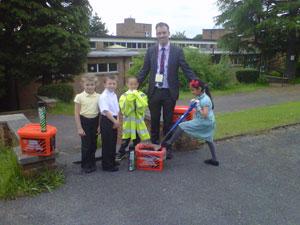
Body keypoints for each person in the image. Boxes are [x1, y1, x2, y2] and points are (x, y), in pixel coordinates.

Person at [137, 22, 197, 159]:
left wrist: (196, 82)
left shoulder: (177, 51)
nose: (161, 35)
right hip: (154, 91)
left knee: (168, 121)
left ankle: (167, 148)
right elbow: (144, 70)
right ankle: (154, 147)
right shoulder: (151, 50)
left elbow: (185, 68)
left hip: (169, 92)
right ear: (156, 35)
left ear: (169, 33)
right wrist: (134, 86)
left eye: (164, 32)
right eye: (159, 33)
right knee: (154, 121)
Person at [162, 79, 219, 166]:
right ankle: (215, 160)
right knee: (209, 140)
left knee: (182, 125)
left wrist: (197, 106)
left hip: (204, 122)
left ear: (199, 89)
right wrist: (194, 103)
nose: (192, 92)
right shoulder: (201, 97)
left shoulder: (205, 100)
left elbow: (204, 114)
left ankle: (169, 143)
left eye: (193, 90)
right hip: (208, 122)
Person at [116, 76, 150, 161]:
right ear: (127, 84)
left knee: (137, 139)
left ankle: (136, 152)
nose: (133, 86)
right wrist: (130, 100)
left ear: (138, 84)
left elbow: (143, 106)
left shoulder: (141, 95)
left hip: (138, 123)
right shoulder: (124, 96)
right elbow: (124, 109)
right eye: (131, 84)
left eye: (135, 84)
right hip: (128, 123)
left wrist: (136, 96)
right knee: (125, 139)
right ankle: (121, 153)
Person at [74, 74, 100, 173]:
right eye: (87, 85)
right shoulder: (79, 97)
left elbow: (101, 113)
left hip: (95, 121)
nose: (89, 87)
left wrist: (99, 126)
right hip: (84, 121)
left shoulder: (99, 97)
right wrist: (79, 128)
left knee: (93, 144)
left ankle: (92, 163)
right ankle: (85, 165)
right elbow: (76, 113)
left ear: (95, 85)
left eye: (92, 84)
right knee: (86, 145)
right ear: (83, 85)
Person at [98, 75, 120, 172]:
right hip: (107, 120)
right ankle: (107, 165)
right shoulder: (103, 96)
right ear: (104, 84)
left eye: (114, 83)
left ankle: (112, 161)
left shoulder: (114, 94)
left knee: (113, 142)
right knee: (107, 143)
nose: (112, 85)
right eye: (109, 83)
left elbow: (117, 109)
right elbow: (106, 111)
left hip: (114, 119)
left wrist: (118, 120)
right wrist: (115, 121)